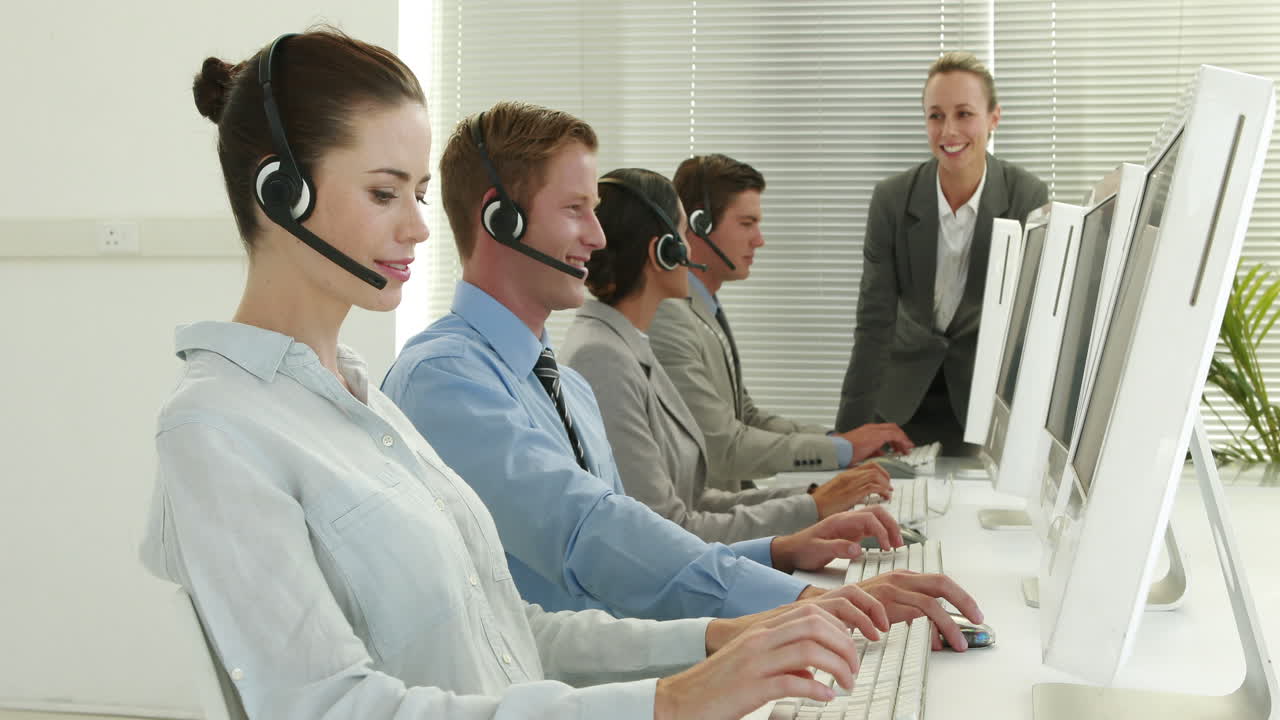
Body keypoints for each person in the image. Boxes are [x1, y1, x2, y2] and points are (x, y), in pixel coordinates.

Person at [139, 29, 928, 720]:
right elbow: (328, 705)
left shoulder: (362, 398)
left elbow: (510, 629)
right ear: (281, 192)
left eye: (417, 193)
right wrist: (675, 699)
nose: (418, 226)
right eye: (385, 193)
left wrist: (725, 637)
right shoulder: (218, 427)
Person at [381, 101, 981, 641]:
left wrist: (776, 552)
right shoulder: (446, 380)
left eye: (595, 212)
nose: (596, 235)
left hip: (617, 670)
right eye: (575, 210)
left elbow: (638, 551)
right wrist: (802, 599)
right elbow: (594, 539)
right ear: (500, 221)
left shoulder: (570, 388)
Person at [562, 167, 895, 543]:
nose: (688, 249)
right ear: (663, 251)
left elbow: (691, 499)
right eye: (682, 235)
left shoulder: (628, 342)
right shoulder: (602, 356)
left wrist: (815, 498)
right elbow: (665, 530)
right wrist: (813, 508)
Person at [648, 155, 913, 494]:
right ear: (699, 225)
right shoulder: (670, 318)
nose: (759, 239)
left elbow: (747, 418)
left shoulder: (705, 310)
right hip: (707, 524)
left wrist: (837, 440)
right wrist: (842, 451)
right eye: (747, 223)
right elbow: (724, 447)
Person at [835, 51, 1049, 453]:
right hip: (901, 397)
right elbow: (874, 322)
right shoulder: (892, 199)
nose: (949, 131)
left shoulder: (1026, 195)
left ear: (994, 118)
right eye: (935, 116)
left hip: (978, 399)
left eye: (964, 113)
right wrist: (848, 437)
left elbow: (1028, 323)